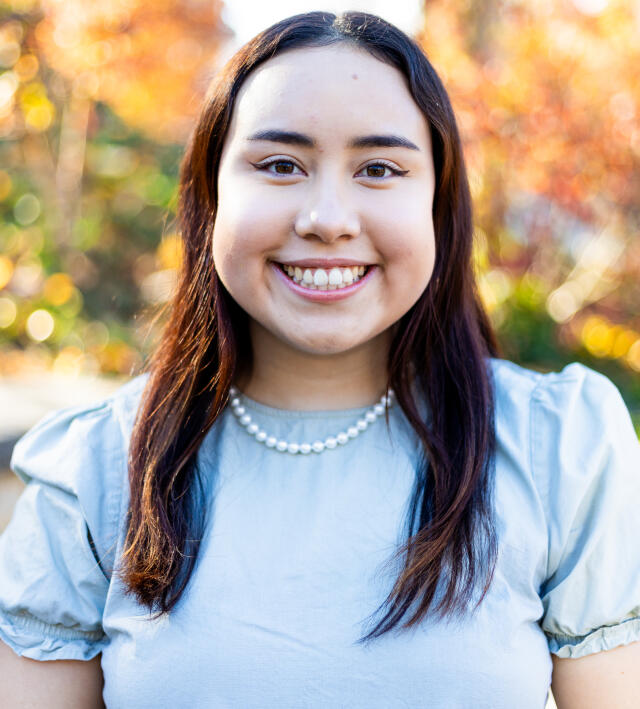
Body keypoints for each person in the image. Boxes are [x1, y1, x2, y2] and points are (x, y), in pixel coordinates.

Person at [1, 10, 639, 708]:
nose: (327, 217)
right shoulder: (95, 469)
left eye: (379, 168)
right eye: (280, 165)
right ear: (211, 199)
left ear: (439, 203)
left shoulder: (559, 449)